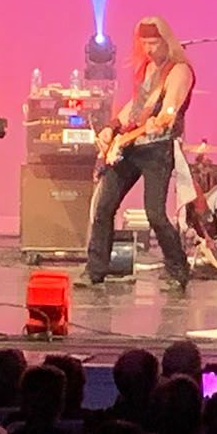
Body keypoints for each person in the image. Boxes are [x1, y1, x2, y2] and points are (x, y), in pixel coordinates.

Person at [83, 15, 194, 290]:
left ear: (166, 41)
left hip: (157, 148)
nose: (148, 49)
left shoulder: (179, 70)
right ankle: (95, 271)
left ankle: (178, 269)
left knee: (155, 213)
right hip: (132, 145)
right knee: (104, 205)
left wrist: (162, 119)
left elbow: (170, 107)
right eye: (144, 43)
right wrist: (112, 128)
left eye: (154, 43)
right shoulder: (145, 69)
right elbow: (135, 106)